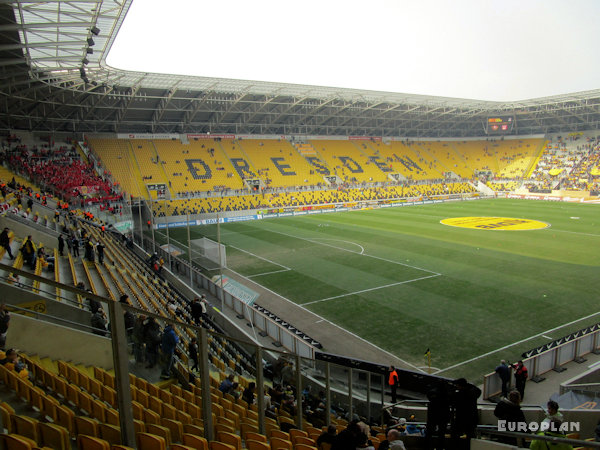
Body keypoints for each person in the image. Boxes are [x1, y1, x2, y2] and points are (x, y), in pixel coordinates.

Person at [451, 378, 481, 443]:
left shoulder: (460, 395)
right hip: (472, 418)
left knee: (455, 435)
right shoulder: (472, 392)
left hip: (462, 419)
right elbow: (478, 391)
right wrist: (470, 385)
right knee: (470, 436)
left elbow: (453, 402)